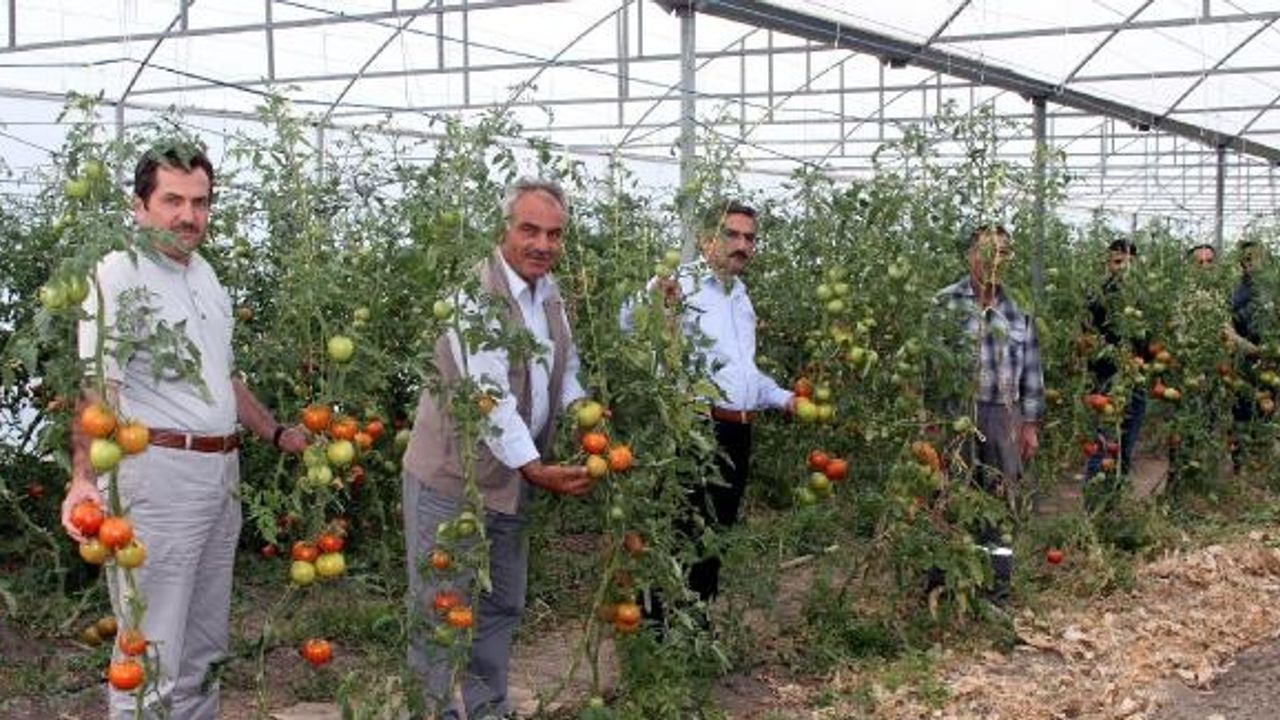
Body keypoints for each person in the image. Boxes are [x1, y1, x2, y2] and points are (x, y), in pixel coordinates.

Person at [59, 143, 308, 719]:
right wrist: (82, 479)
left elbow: (224, 376)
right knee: (152, 648)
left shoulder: (205, 274)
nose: (187, 216)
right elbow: (98, 385)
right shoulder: (118, 273)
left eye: (200, 202)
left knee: (204, 647)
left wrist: (275, 433)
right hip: (160, 476)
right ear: (140, 206)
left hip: (220, 472)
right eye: (172, 200)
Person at [400, 178, 592, 720]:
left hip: (509, 483)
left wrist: (586, 418)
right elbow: (487, 396)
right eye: (529, 229)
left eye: (554, 234)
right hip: (452, 482)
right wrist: (535, 467)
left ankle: (488, 709)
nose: (542, 244)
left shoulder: (551, 297)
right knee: (440, 607)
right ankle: (432, 712)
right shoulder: (476, 297)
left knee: (500, 603)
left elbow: (566, 375)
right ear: (504, 228)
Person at [621, 200, 795, 609]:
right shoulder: (681, 283)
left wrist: (784, 397)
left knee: (715, 535)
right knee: (682, 532)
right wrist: (655, 298)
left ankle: (696, 630)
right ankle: (659, 636)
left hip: (737, 431)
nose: (741, 245)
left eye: (749, 238)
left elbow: (744, 375)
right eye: (731, 235)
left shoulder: (741, 297)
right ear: (705, 240)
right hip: (694, 428)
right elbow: (625, 322)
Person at [931, 225, 1045, 600]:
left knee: (1000, 501)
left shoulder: (1018, 309)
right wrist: (929, 419)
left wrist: (1029, 424)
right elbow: (928, 367)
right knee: (949, 496)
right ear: (969, 255)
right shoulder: (944, 303)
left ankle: (995, 588)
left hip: (1004, 415)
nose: (992, 259)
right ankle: (943, 584)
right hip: (955, 413)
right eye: (985, 250)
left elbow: (1031, 368)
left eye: (1001, 253)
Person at [1082, 239, 1149, 501]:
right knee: (1104, 446)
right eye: (1118, 262)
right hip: (1107, 383)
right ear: (1108, 264)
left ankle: (1114, 504)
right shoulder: (1099, 297)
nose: (1124, 268)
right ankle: (1094, 506)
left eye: (1129, 262)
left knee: (1125, 448)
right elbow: (1089, 341)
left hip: (1135, 382)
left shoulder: (1143, 298)